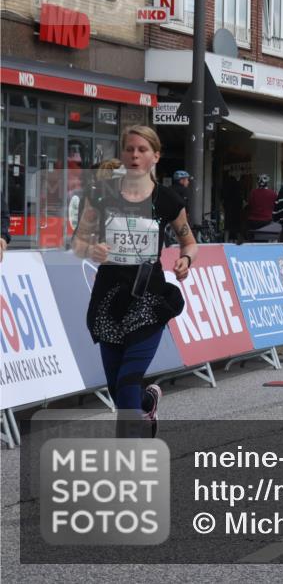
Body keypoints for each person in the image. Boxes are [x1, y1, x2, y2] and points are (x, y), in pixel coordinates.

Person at [71, 126, 197, 437]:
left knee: (127, 380)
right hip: (108, 299)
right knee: (118, 388)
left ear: (156, 155)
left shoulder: (168, 199)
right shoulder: (101, 194)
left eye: (142, 149)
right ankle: (148, 401)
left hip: (148, 299)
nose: (134, 155)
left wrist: (186, 260)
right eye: (129, 149)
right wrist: (92, 249)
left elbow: (189, 241)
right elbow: (77, 243)